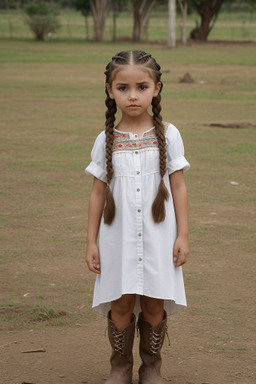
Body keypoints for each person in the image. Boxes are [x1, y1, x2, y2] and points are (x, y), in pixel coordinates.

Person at [85, 50, 190, 384]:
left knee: (154, 299)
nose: (132, 95)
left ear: (156, 89)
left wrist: (183, 235)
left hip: (159, 234)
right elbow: (98, 193)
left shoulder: (169, 135)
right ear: (109, 90)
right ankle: (120, 366)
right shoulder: (106, 140)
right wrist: (91, 241)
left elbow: (179, 187)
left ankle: (151, 366)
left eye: (141, 87)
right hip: (118, 235)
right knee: (121, 299)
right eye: (123, 88)